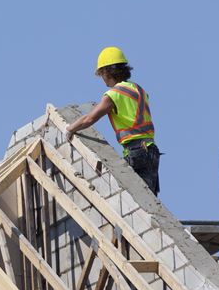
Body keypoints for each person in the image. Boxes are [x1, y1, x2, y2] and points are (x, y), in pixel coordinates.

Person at [66, 47, 161, 195]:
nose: (102, 78)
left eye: (101, 74)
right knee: (149, 197)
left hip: (136, 150)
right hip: (151, 150)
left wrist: (70, 129)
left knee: (134, 197)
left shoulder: (115, 94)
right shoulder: (139, 90)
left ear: (106, 72)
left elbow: (90, 118)